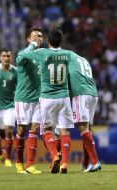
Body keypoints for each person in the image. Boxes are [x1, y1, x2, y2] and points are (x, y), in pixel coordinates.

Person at [36, 28, 74, 174]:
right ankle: (64, 163)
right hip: (64, 97)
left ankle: (54, 156)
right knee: (65, 132)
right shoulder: (68, 54)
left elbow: (25, 55)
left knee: (46, 130)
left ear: (48, 40)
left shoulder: (42, 53)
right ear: (61, 40)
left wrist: (35, 43)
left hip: (47, 98)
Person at [14, 28, 43, 174]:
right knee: (21, 130)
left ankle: (29, 165)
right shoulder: (23, 52)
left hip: (38, 99)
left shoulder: (42, 55)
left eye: (40, 36)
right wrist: (32, 45)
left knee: (35, 129)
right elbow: (19, 60)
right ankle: (18, 161)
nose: (38, 38)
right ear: (28, 39)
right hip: (23, 98)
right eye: (35, 36)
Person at [68, 53, 101, 172]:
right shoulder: (84, 60)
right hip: (93, 93)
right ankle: (86, 164)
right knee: (87, 130)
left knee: (82, 128)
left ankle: (95, 161)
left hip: (81, 94)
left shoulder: (68, 59)